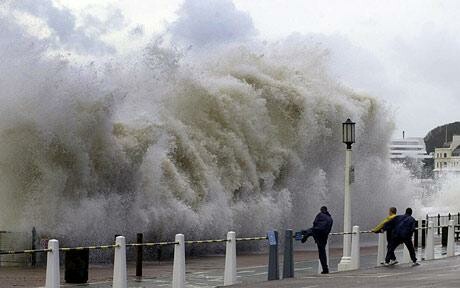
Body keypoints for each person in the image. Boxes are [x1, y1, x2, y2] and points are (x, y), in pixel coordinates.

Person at [301, 206, 333, 274]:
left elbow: (315, 223)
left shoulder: (320, 214)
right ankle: (325, 269)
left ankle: (303, 236)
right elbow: (328, 229)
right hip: (324, 236)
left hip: (317, 232)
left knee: (308, 231)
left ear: (321, 210)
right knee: (322, 253)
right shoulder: (330, 218)